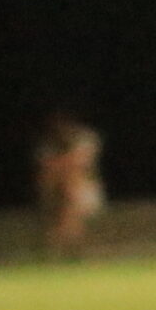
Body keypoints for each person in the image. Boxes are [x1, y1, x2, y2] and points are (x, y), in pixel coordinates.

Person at [36, 111, 105, 259]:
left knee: (71, 189)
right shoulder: (48, 144)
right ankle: (66, 247)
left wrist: (61, 164)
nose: (61, 128)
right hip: (56, 195)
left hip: (85, 193)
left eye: (64, 123)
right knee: (56, 181)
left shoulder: (86, 137)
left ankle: (61, 246)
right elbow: (47, 169)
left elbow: (81, 163)